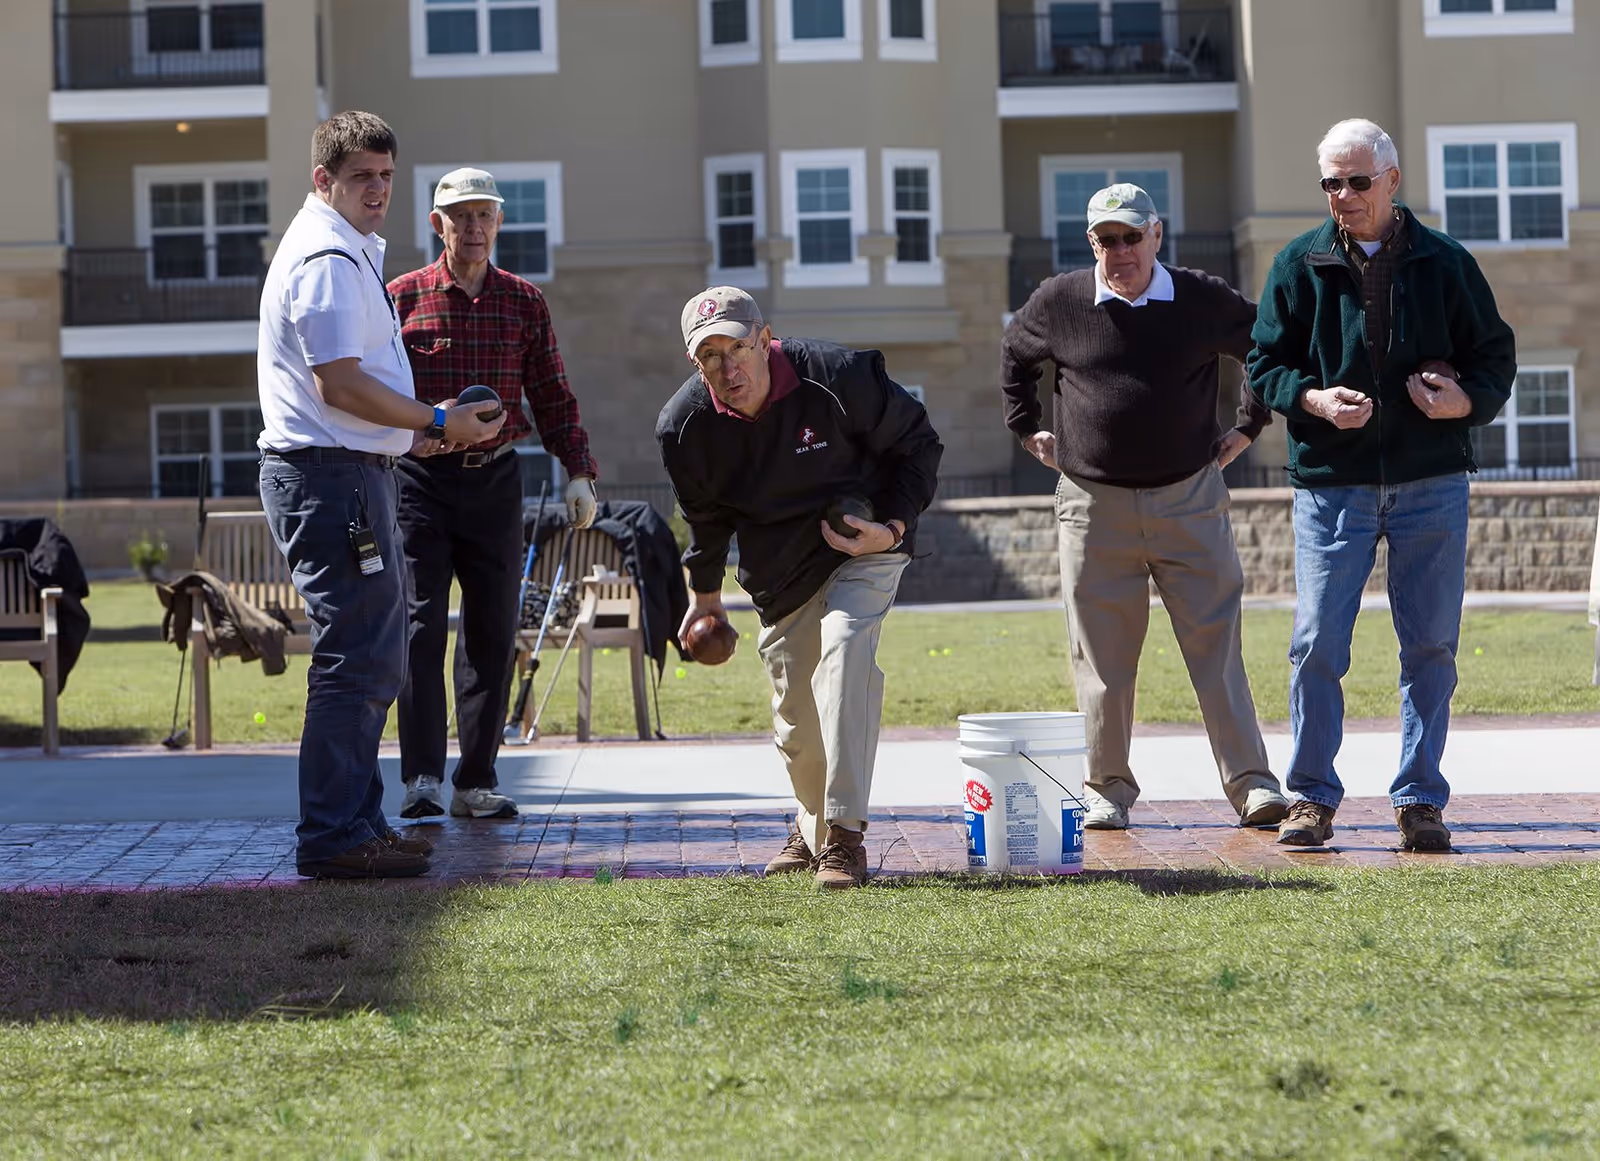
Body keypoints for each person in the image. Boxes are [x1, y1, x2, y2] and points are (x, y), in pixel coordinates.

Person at [1247, 118, 1516, 851]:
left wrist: (1464, 403)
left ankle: (1420, 799)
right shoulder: (1297, 265)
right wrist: (1312, 400)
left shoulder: (1446, 262)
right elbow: (1263, 363)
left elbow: (1494, 355)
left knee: (1430, 646)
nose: (1343, 195)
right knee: (1316, 645)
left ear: (1392, 181)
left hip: (1431, 481)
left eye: (1357, 180)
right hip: (1333, 484)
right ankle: (1310, 799)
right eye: (1330, 181)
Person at [256, 111, 504, 879]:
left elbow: (353, 389)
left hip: (351, 471)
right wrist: (433, 418)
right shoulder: (327, 255)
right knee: (356, 659)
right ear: (322, 179)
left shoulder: (346, 249)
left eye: (387, 177)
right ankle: (333, 836)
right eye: (362, 176)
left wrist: (410, 438)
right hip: (329, 479)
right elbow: (340, 381)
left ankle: (358, 821)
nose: (378, 191)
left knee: (373, 657)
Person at [1000, 182, 1290, 831]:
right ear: (1092, 244)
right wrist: (1027, 427)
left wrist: (1248, 425)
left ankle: (1252, 784)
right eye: (1108, 239)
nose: (1121, 250)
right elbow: (1016, 355)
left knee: (1216, 648)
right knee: (1101, 658)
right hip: (1092, 505)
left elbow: (1267, 345)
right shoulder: (1061, 299)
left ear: (1156, 235)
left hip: (1188, 497)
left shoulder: (1199, 298)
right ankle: (1106, 787)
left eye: (1133, 236)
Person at [657, 287, 942, 888]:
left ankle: (843, 838)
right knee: (797, 721)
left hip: (862, 542)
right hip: (780, 569)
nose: (729, 368)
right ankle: (810, 824)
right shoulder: (684, 427)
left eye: (738, 347)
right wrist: (704, 599)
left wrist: (890, 527)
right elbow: (705, 519)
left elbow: (919, 443)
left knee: (845, 651)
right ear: (694, 363)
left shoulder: (839, 376)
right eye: (710, 357)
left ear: (765, 339)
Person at [387, 167, 599, 822]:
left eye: (484, 215)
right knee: (420, 626)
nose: (473, 227)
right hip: (420, 481)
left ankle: (475, 781)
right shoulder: (400, 298)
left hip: (496, 481)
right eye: (460, 216)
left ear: (499, 223)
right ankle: (421, 776)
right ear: (437, 224)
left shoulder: (523, 302)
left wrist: (578, 470)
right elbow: (376, 391)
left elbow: (553, 393)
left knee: (491, 630)